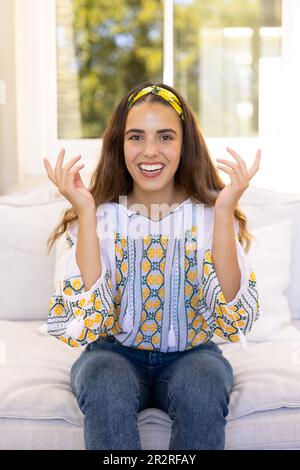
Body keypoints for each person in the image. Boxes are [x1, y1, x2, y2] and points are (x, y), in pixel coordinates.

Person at [43, 81, 260, 450]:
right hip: (112, 353)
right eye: (136, 137)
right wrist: (86, 211)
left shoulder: (210, 215)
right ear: (120, 145)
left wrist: (223, 211)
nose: (149, 151)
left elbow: (232, 316)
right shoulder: (100, 215)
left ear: (184, 144)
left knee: (201, 388)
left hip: (194, 354)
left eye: (165, 137)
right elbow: (88, 319)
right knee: (106, 387)